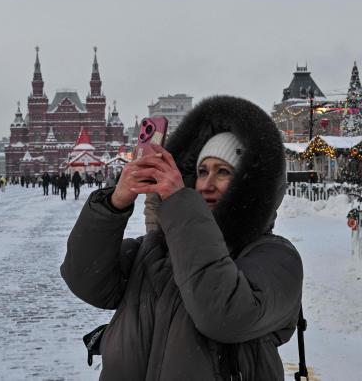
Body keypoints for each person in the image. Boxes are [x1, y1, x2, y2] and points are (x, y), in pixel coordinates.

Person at [61, 96, 303, 380]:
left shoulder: (276, 258)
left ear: (250, 183)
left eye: (223, 172)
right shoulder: (155, 251)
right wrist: (114, 204)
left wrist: (179, 204)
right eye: (202, 171)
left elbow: (223, 315)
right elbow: (86, 278)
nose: (207, 184)